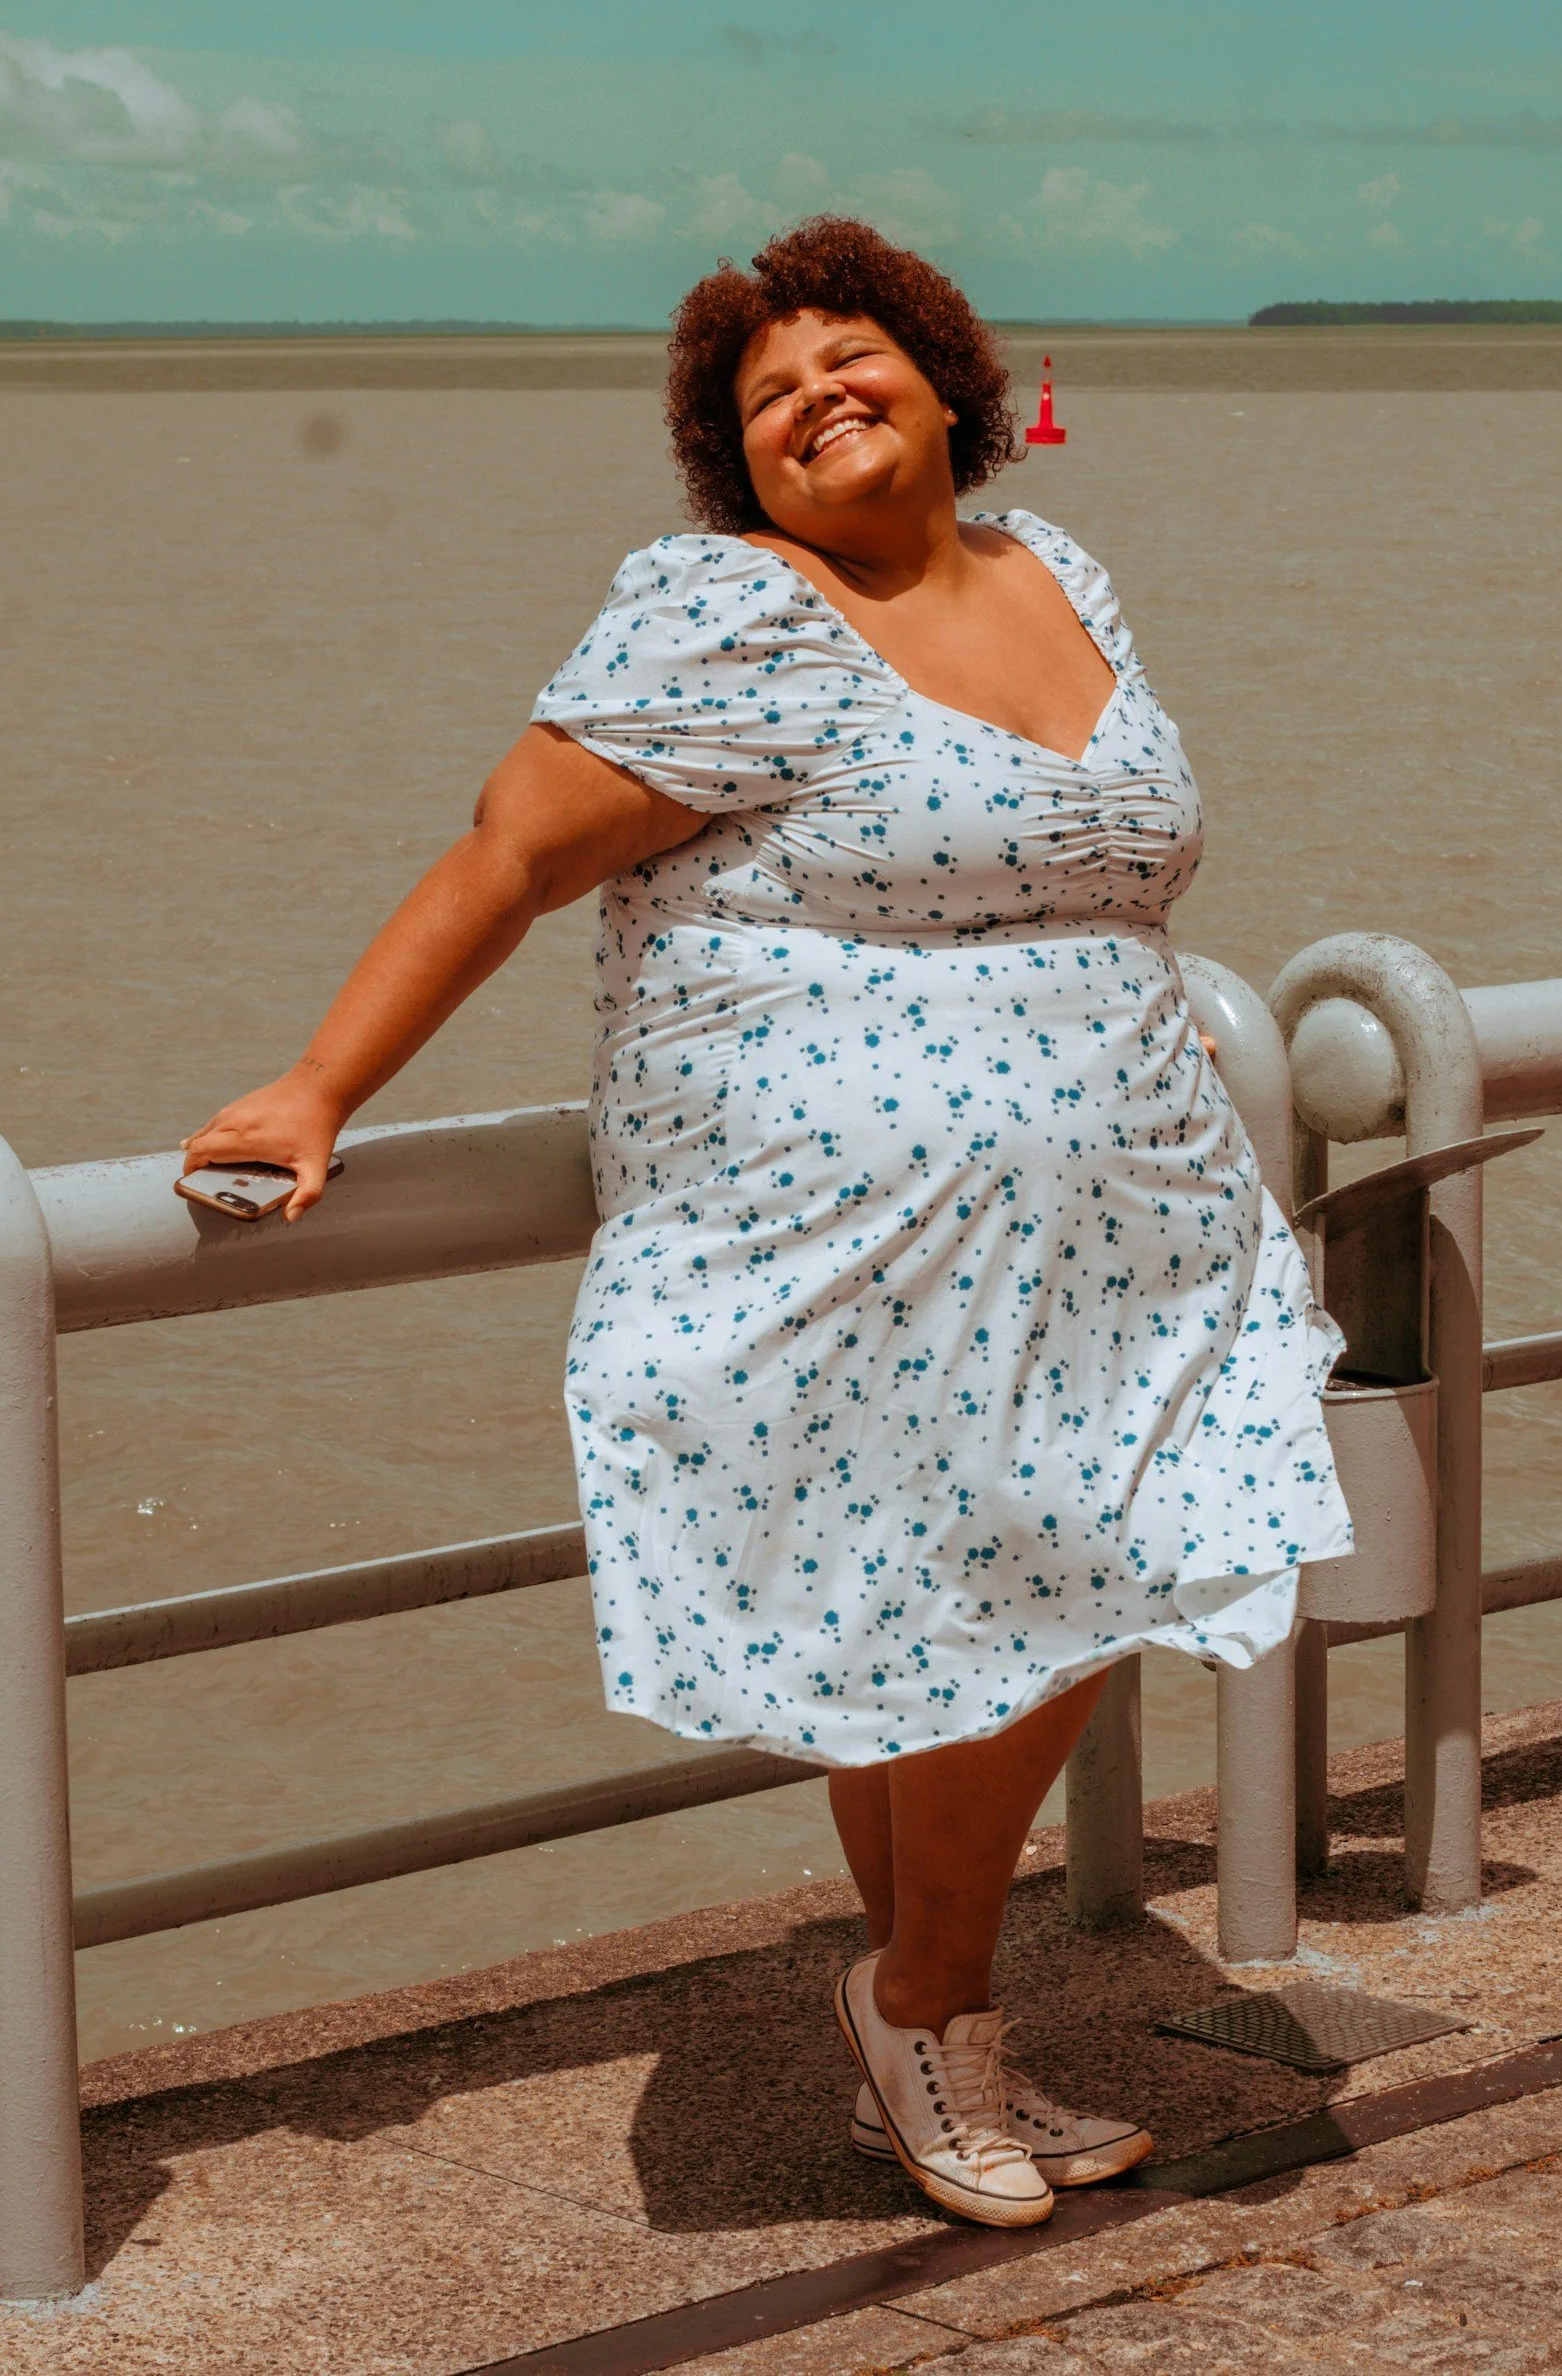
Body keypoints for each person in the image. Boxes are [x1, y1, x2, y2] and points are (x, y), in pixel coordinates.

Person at [183, 217, 1351, 2232]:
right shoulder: (732, 613)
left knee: (1043, 1584)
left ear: (943, 374)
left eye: (849, 354)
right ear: (739, 464)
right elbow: (514, 847)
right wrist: (319, 1084)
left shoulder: (1058, 573)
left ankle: (923, 2015)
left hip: (1128, 1204)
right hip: (841, 1230)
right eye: (766, 394)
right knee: (965, 1605)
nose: (815, 396)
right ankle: (925, 2003)